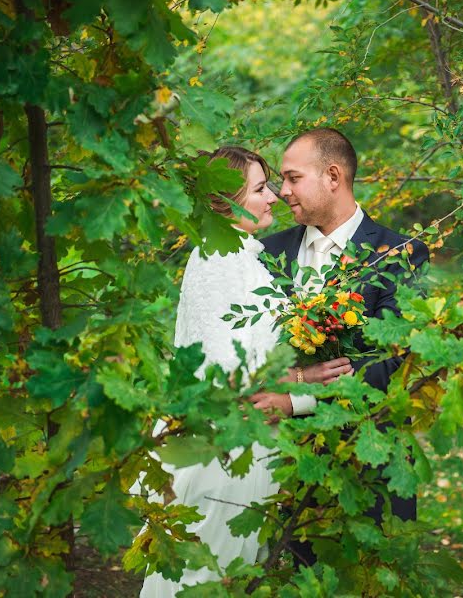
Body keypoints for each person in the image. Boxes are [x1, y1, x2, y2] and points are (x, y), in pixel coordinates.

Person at [139, 146, 353, 597]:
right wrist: (302, 378)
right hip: (220, 449)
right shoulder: (217, 261)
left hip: (241, 444)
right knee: (199, 581)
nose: (274, 196)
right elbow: (226, 371)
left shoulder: (243, 256)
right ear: (225, 203)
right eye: (259, 189)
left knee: (228, 580)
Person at [261, 128, 430, 565]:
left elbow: (393, 362)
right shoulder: (265, 253)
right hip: (277, 468)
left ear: (333, 176)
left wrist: (295, 399)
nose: (282, 192)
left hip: (366, 462)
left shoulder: (400, 254)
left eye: (293, 178)